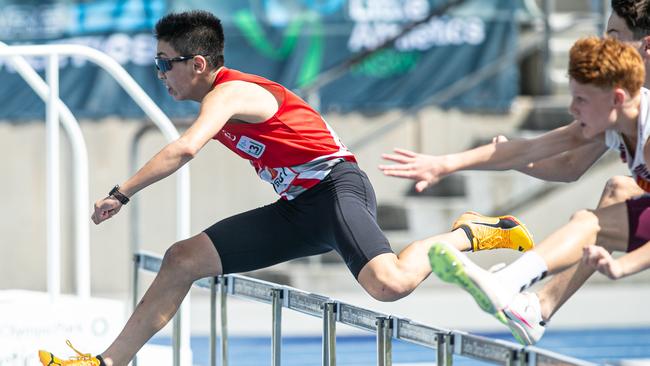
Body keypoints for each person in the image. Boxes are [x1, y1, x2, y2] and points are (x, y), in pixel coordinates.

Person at [37, 10, 533, 366]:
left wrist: (120, 192)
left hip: (338, 191)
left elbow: (185, 149)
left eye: (166, 62)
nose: (160, 73)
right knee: (181, 259)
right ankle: (107, 364)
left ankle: (471, 234)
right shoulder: (218, 96)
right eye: (157, 62)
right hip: (297, 207)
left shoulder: (230, 93)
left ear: (199, 65)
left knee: (392, 285)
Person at [380, 0, 650, 345]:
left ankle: (510, 284)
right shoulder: (614, 116)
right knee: (614, 192)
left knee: (591, 222)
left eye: (580, 100)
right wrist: (444, 164)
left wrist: (624, 267)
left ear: (615, 97)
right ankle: (535, 304)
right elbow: (541, 153)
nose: (571, 108)